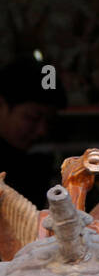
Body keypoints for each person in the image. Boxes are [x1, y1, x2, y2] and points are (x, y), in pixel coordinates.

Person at [0, 58, 66, 204]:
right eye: (32, 118)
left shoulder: (37, 161)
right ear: (2, 106)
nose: (42, 131)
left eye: (49, 121)